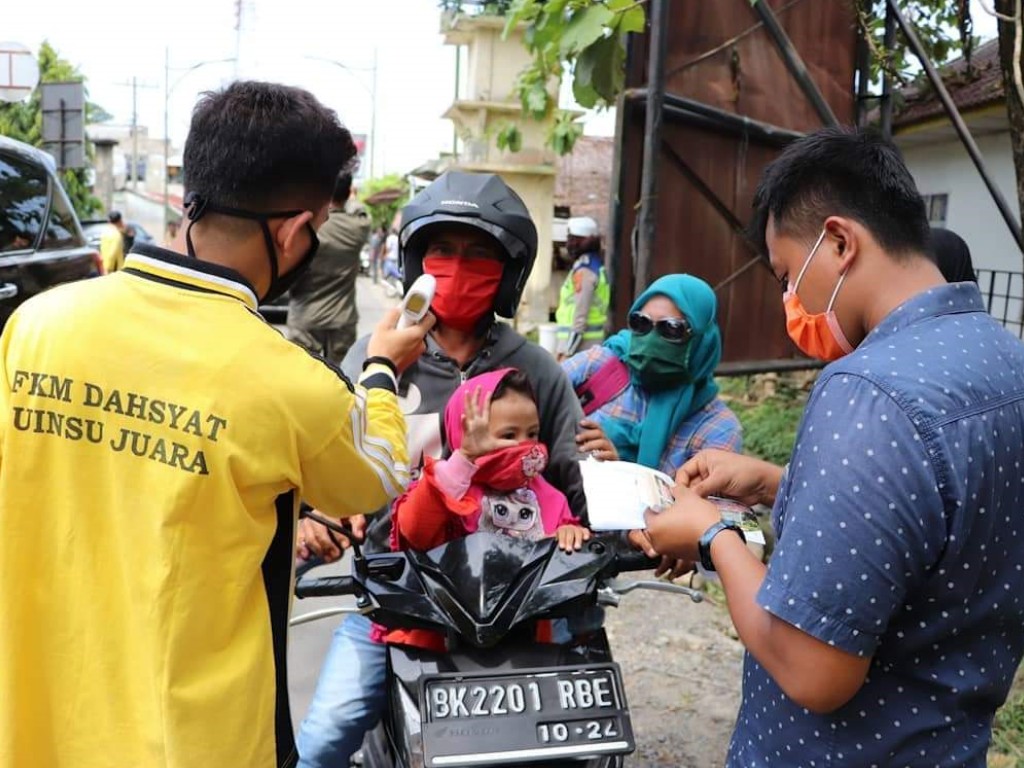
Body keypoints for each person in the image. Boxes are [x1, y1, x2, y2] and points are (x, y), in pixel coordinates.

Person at [0, 80, 431, 768]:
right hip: (191, 741)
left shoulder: (36, 326)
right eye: (315, 230)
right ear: (294, 230)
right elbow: (374, 477)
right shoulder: (288, 381)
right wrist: (381, 367)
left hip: (35, 725)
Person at [638, 126, 1024, 766]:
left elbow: (812, 669)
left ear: (840, 242)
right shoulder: (1004, 358)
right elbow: (932, 520)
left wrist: (713, 537)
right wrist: (775, 482)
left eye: (788, 276)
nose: (791, 303)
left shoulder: (869, 389)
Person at [295, 170, 589, 768]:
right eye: (444, 250)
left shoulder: (536, 370)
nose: (459, 266)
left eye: (479, 253)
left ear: (508, 271)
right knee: (325, 735)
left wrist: (613, 502)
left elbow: (570, 481)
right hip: (396, 599)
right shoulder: (376, 356)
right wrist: (313, 518)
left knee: (578, 737)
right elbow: (322, 460)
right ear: (417, 262)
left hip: (518, 605)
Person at [562, 273, 742, 474]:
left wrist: (621, 476)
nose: (651, 339)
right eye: (641, 323)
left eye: (671, 328)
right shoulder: (598, 366)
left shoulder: (717, 429)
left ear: (702, 341)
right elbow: (527, 401)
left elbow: (698, 503)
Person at [287, 172, 371, 365]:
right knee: (341, 379)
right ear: (349, 192)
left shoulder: (308, 226)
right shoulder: (358, 226)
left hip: (305, 316)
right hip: (342, 318)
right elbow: (360, 209)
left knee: (302, 378)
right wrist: (352, 197)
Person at [555, 216, 610, 357]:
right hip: (589, 344)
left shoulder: (584, 271)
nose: (568, 244)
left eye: (572, 239)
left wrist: (567, 352)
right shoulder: (595, 265)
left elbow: (580, 316)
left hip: (579, 347)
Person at [100, 209, 127, 273]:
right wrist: (109, 269)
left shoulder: (105, 232)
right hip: (114, 270)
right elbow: (113, 254)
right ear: (120, 221)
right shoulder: (116, 235)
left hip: (104, 266)